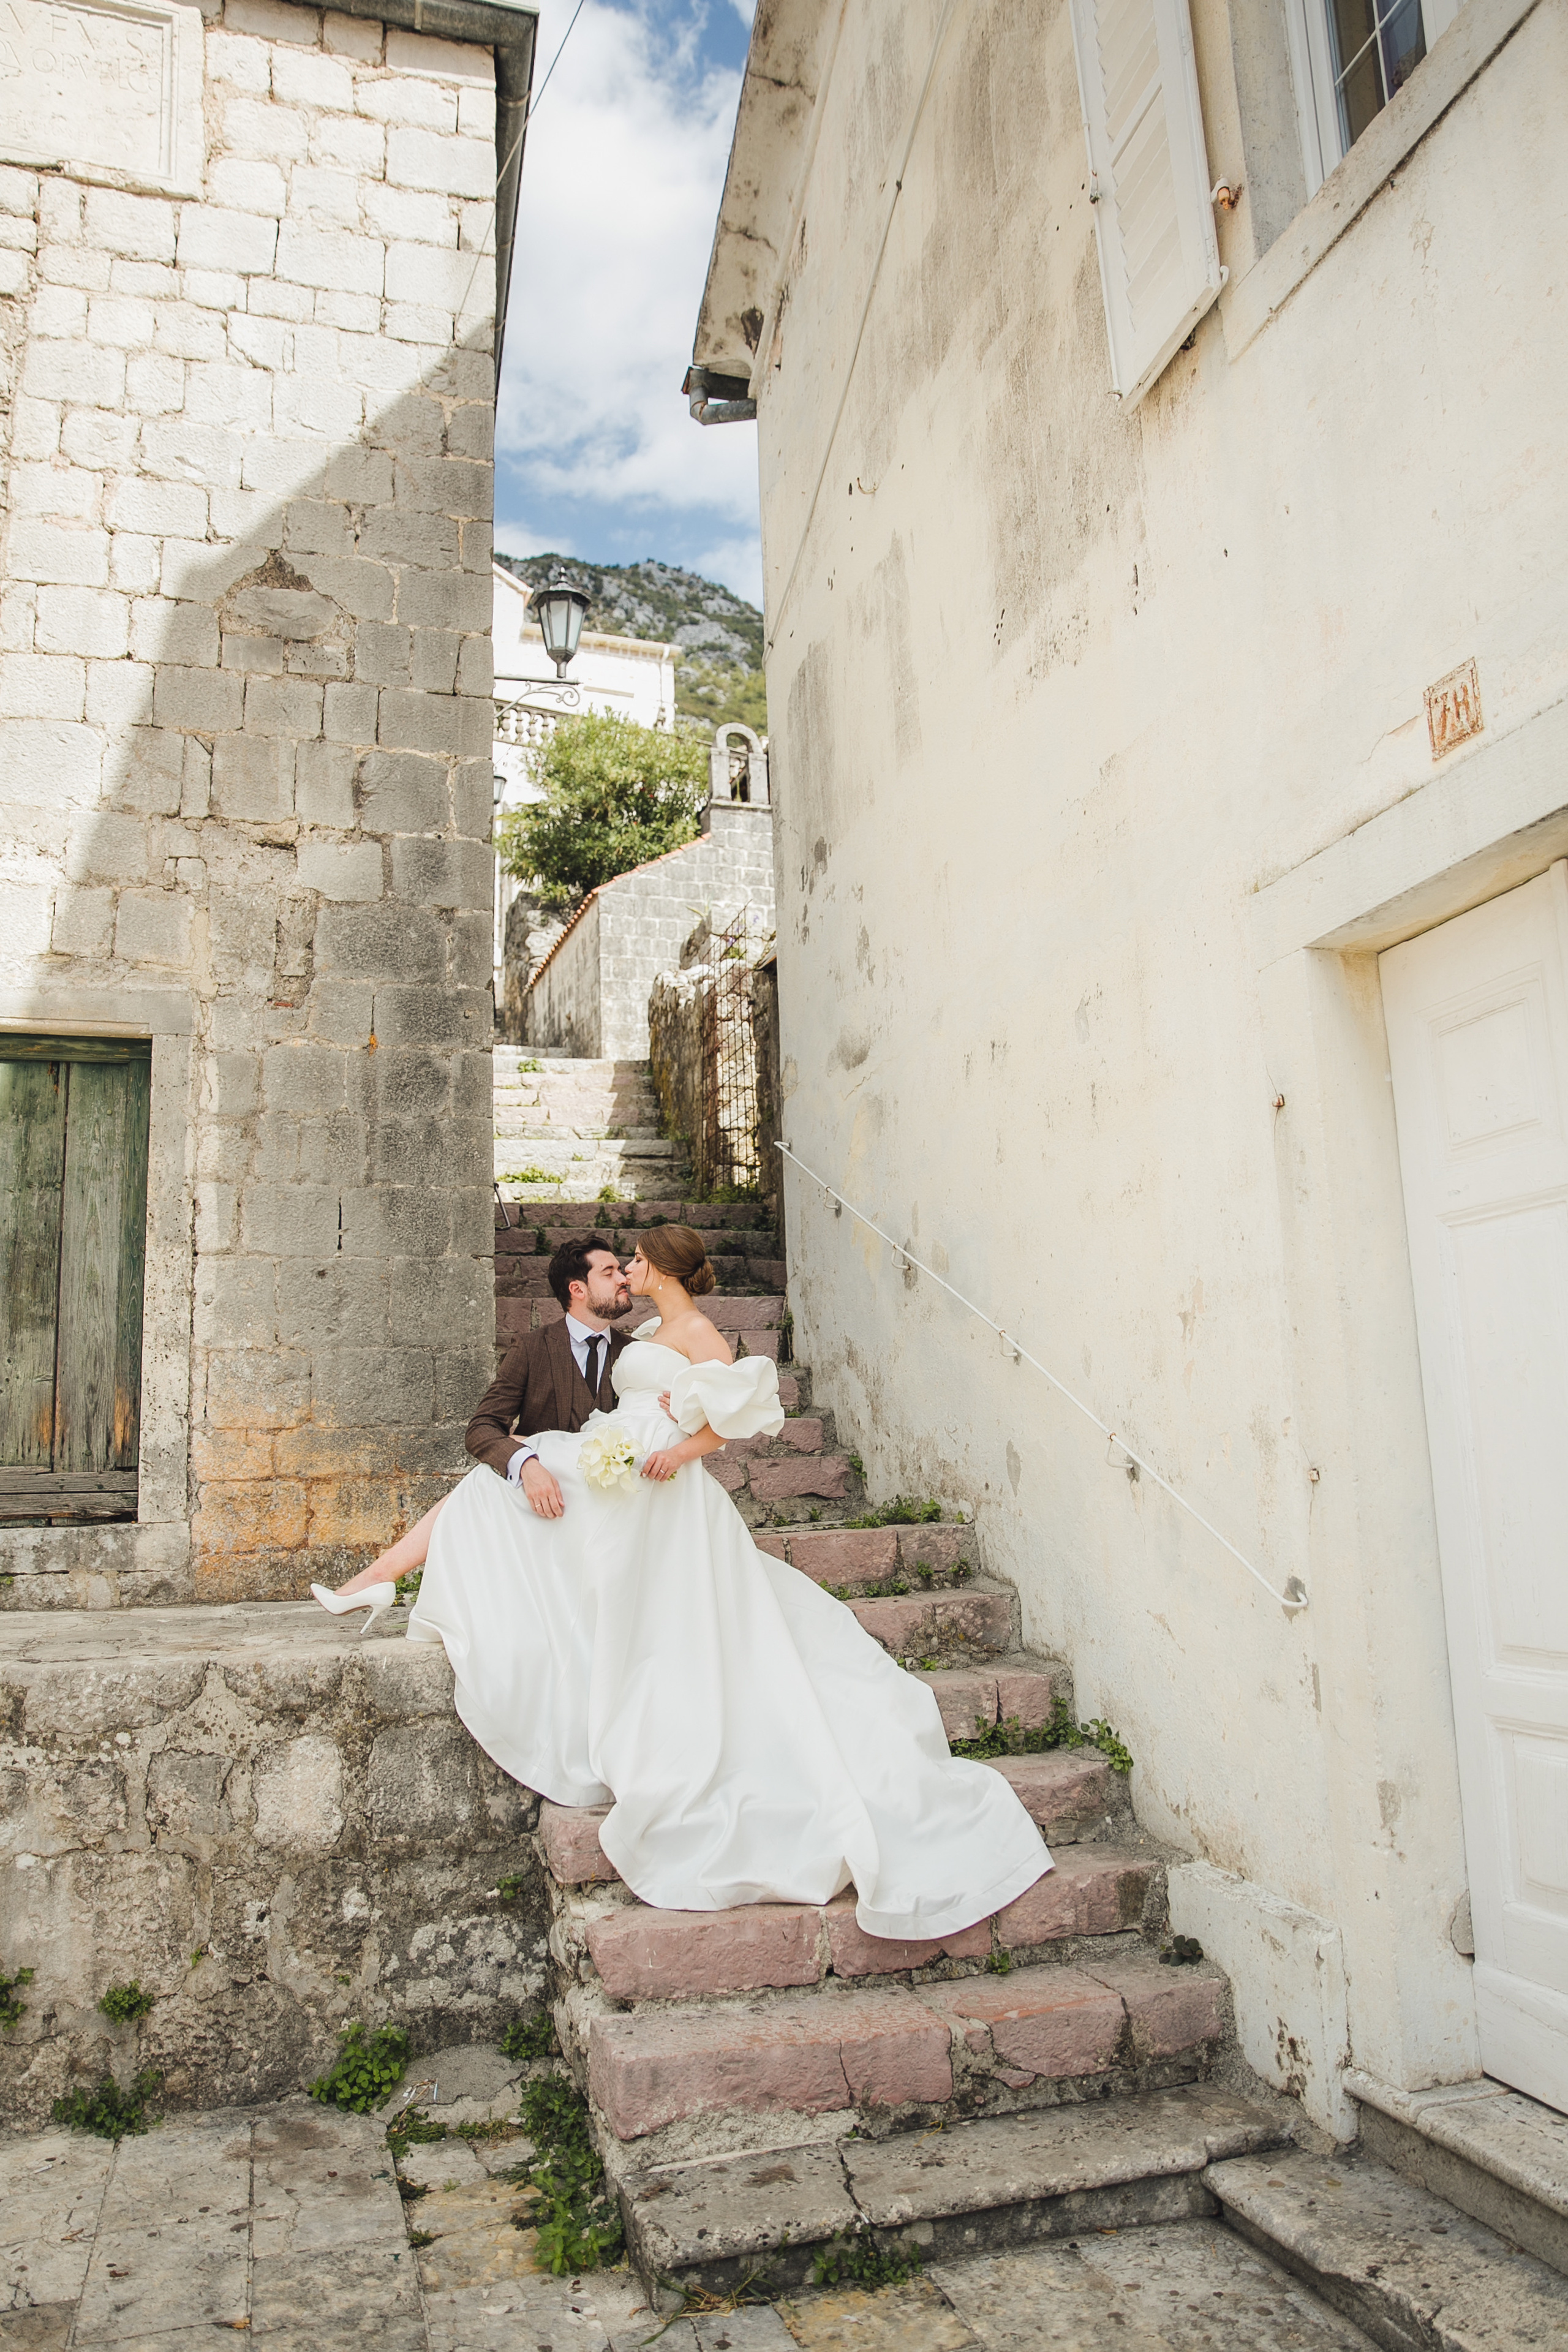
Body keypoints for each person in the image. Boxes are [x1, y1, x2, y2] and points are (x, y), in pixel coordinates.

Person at [311, 1224, 1050, 1940]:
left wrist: (684, 1450)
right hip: (619, 1463)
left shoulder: (695, 1329)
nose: (626, 1270)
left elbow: (742, 1416)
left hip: (656, 1477)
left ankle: (379, 1580)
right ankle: (383, 1579)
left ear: (658, 1269)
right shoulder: (626, 1341)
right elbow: (596, 1408)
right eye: (615, 1266)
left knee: (533, 1500)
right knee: (507, 1472)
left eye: (632, 1261)